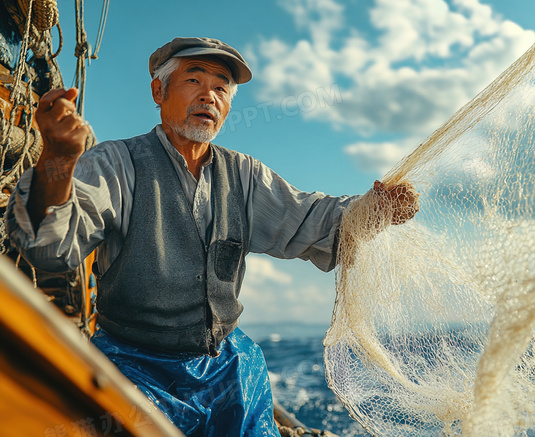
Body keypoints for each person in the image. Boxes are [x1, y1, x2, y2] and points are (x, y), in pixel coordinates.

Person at [5, 37, 418, 436]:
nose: (209, 96)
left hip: (225, 366)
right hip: (134, 366)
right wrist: (57, 159)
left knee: (248, 381)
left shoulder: (244, 175)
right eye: (194, 81)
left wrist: (373, 211)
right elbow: (49, 247)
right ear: (158, 91)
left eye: (221, 88)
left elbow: (310, 218)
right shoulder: (118, 162)